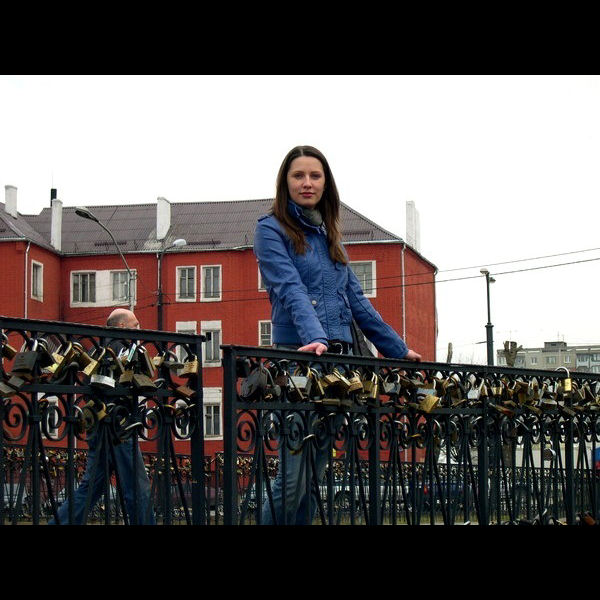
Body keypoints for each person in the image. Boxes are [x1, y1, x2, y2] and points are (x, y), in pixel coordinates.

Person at [253, 145, 422, 525]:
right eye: (298, 175)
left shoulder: (329, 235)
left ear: (326, 183)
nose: (307, 183)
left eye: (315, 176)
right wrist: (315, 337)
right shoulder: (270, 229)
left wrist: (397, 349)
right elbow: (289, 287)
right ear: (285, 182)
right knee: (293, 477)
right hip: (298, 356)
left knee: (314, 476)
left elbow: (356, 300)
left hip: (338, 363)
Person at [49, 308, 156, 525]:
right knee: (137, 487)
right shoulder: (123, 348)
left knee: (90, 487)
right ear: (122, 326)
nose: (139, 328)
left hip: (99, 422)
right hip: (119, 424)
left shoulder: (96, 350)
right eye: (136, 324)